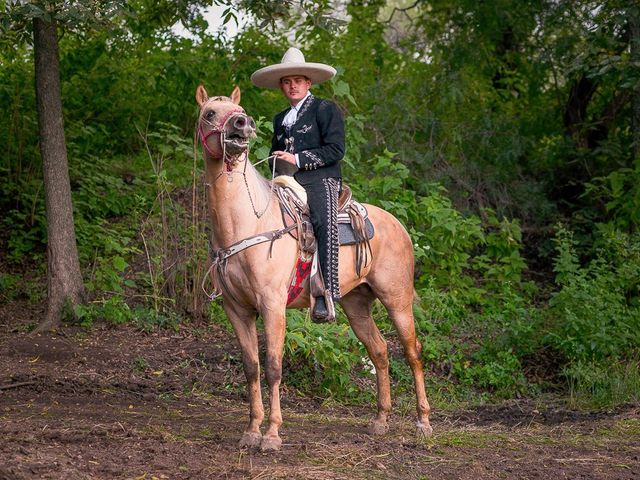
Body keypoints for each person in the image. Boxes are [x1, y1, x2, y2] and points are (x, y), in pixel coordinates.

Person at [251, 47, 345, 322]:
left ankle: (327, 294)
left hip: (320, 178)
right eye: (287, 82)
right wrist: (277, 160)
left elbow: (336, 150)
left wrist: (298, 158)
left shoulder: (324, 109)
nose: (292, 86)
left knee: (323, 222)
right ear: (281, 85)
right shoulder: (280, 118)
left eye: (298, 81)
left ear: (308, 83)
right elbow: (275, 151)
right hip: (285, 180)